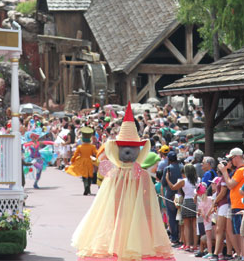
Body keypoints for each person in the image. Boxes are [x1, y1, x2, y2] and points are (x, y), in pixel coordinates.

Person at [71, 103, 174, 261]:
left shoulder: (118, 172)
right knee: (129, 236)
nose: (127, 151)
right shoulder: (129, 172)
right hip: (131, 212)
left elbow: (104, 184)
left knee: (121, 234)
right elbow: (146, 196)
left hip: (123, 212)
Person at [217, 148, 244, 256]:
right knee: (235, 232)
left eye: (232, 158)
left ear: (237, 157)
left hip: (239, 205)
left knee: (239, 233)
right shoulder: (238, 170)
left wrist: (224, 172)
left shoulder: (241, 170)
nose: (231, 161)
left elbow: (230, 184)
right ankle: (240, 254)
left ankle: (243, 255)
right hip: (235, 204)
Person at [167, 163, 198, 251]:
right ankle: (195, 245)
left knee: (186, 225)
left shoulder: (183, 181)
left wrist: (167, 179)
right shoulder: (198, 180)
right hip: (196, 202)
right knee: (195, 225)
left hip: (187, 201)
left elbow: (173, 187)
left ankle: (187, 244)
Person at [66, 127, 98, 195]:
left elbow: (75, 155)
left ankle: (86, 186)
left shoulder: (80, 147)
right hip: (90, 161)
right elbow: (96, 153)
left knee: (84, 175)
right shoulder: (92, 146)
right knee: (89, 175)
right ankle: (88, 188)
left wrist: (72, 160)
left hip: (82, 161)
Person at [163, 150, 182, 245]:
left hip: (170, 195)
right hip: (181, 194)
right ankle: (182, 237)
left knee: (172, 217)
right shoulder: (181, 167)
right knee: (181, 217)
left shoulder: (167, 169)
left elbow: (163, 183)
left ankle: (174, 237)